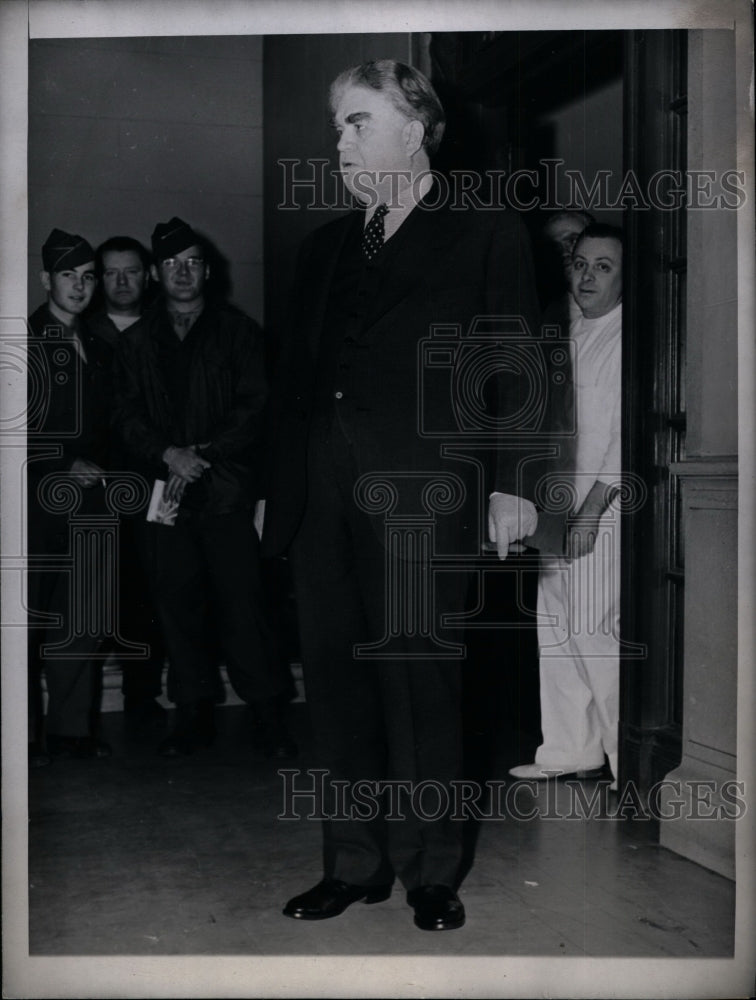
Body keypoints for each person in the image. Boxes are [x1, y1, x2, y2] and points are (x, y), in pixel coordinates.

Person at [262, 60, 543, 931]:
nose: (338, 141)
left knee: (420, 685)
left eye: (356, 123)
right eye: (338, 126)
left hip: (427, 497)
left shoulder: (485, 230)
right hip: (322, 501)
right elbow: (294, 383)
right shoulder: (323, 248)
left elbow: (518, 369)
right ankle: (352, 864)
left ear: (413, 128)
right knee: (338, 687)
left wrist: (514, 489)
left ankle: (430, 871)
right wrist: (281, 488)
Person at [112, 217, 296, 758]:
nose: (182, 272)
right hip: (164, 494)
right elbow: (123, 414)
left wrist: (203, 455)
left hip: (225, 491)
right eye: (171, 264)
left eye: (192, 262)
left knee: (244, 605)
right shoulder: (135, 342)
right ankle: (192, 712)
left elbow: (256, 407)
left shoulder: (239, 333)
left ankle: (267, 712)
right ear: (153, 273)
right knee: (176, 604)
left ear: (207, 271)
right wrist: (168, 454)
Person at [509, 223, 623, 789]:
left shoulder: (628, 336)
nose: (587, 276)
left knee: (594, 630)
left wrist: (594, 508)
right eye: (581, 263)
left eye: (603, 267)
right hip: (557, 503)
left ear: (624, 276)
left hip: (601, 509)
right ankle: (569, 750)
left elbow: (625, 435)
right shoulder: (567, 328)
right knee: (554, 625)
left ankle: (627, 760)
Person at [27, 228, 113, 760]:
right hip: (36, 505)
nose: (80, 288)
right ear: (45, 281)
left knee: (81, 620)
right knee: (29, 623)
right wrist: (62, 462)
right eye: (68, 277)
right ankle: (24, 738)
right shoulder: (22, 341)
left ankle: (70, 731)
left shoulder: (101, 348)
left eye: (87, 278)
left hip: (91, 505)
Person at [89, 236, 167, 723]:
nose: (122, 282)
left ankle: (141, 695)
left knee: (152, 588)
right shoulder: (81, 327)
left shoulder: (169, 326)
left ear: (148, 274)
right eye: (111, 272)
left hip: (157, 483)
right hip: (96, 485)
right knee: (100, 590)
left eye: (132, 271)